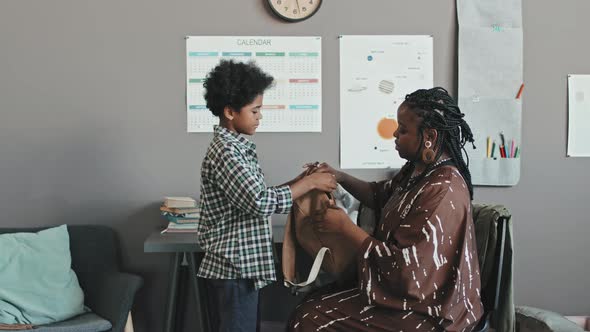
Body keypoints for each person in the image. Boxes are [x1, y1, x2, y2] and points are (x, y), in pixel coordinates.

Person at [288, 87, 484, 331]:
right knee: (312, 302)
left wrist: (345, 228)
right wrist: (339, 177)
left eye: (403, 129)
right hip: (411, 296)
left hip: (433, 311)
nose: (395, 133)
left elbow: (408, 274)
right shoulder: (419, 170)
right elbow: (380, 195)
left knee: (309, 319)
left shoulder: (442, 189)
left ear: (430, 136)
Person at [197, 59, 337, 332]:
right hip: (234, 269)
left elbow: (257, 195)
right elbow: (259, 203)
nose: (260, 116)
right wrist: (308, 185)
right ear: (229, 112)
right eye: (255, 110)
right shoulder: (226, 152)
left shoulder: (236, 148)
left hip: (243, 268)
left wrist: (300, 181)